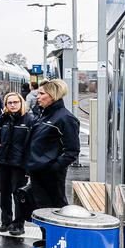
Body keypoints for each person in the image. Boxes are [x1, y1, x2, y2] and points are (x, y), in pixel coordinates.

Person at [25, 79, 80, 210]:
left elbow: (72, 150)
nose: (38, 97)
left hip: (50, 174)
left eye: (42, 93)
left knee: (54, 210)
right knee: (42, 210)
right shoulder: (45, 114)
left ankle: (57, 232)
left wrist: (53, 168)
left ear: (53, 95)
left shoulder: (65, 118)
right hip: (38, 171)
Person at [0, 92, 35, 235]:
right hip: (3, 162)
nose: (13, 105)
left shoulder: (29, 120)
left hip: (20, 164)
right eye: (9, 103)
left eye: (15, 102)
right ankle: (6, 221)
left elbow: (32, 144)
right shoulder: (3, 119)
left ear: (21, 103)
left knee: (19, 194)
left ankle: (19, 224)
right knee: (4, 193)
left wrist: (29, 167)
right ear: (6, 105)